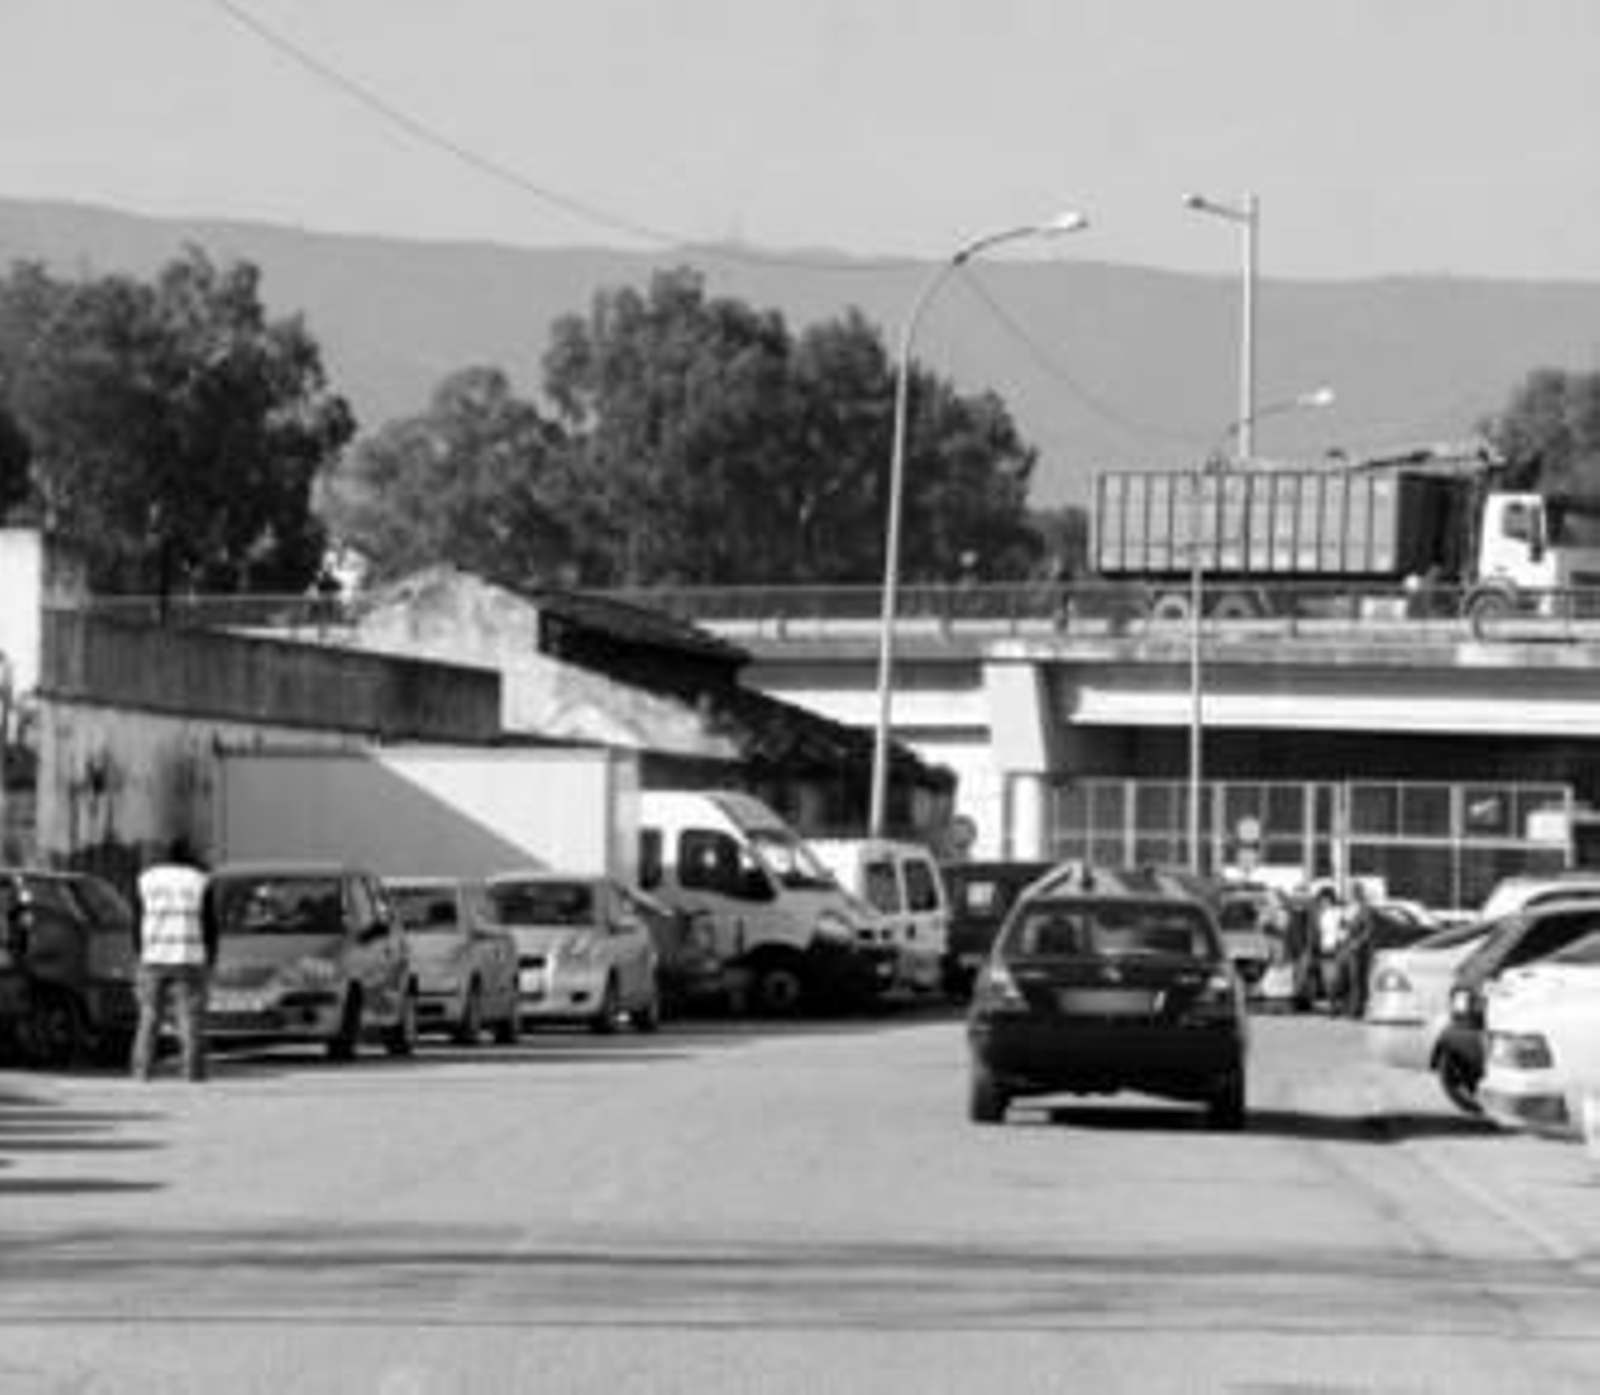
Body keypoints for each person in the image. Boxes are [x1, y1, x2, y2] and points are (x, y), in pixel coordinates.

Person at [131, 839, 218, 1082]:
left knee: (149, 1018)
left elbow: (136, 923)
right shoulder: (200, 880)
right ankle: (192, 1074)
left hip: (153, 957)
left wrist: (140, 953)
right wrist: (210, 958)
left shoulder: (145, 880)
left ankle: (142, 1072)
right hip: (188, 957)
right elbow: (209, 925)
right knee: (189, 1018)